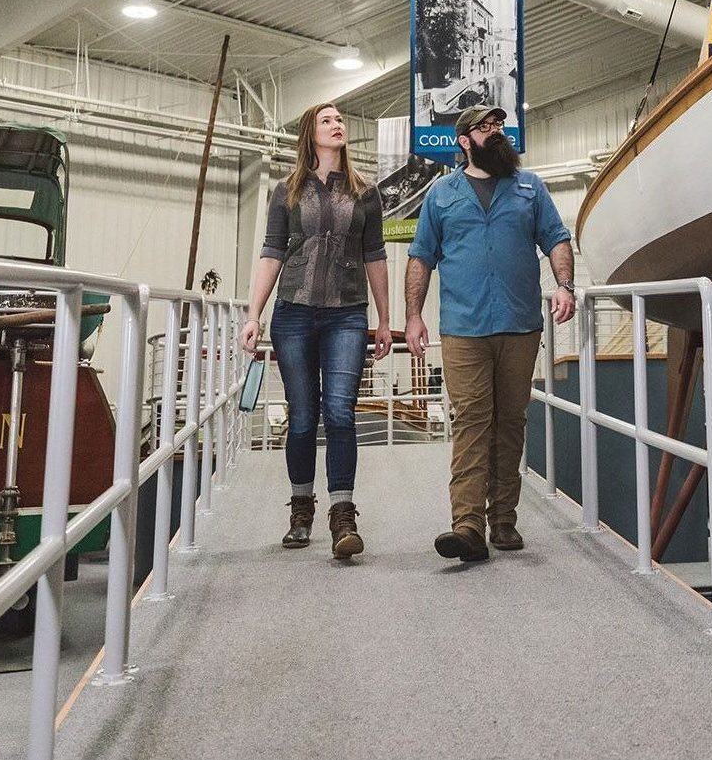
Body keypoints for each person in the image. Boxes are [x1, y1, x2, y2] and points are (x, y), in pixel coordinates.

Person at [405, 105, 575, 563]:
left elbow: (556, 238)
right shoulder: (441, 194)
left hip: (520, 324)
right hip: (464, 328)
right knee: (472, 420)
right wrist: (413, 316)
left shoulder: (529, 187)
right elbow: (421, 257)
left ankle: (503, 519)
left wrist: (565, 285)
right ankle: (467, 526)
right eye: (485, 127)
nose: (496, 132)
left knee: (511, 422)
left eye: (499, 125)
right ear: (464, 141)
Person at [241, 103, 393, 559]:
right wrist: (253, 314)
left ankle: (343, 515)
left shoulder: (365, 192)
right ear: (311, 132)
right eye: (327, 120)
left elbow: (375, 256)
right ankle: (301, 509)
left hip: (347, 314)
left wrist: (385, 320)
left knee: (341, 413)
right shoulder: (286, 191)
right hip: (294, 313)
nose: (337, 124)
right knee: (303, 416)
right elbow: (272, 252)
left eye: (340, 119)